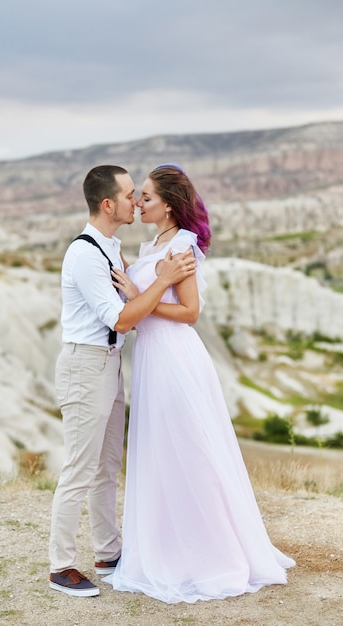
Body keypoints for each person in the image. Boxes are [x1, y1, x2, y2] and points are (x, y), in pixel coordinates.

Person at [106, 164, 296, 604]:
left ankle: (212, 554)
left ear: (169, 206)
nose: (138, 202)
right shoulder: (155, 243)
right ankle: (170, 545)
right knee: (161, 452)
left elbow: (190, 312)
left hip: (175, 357)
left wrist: (139, 298)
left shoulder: (184, 246)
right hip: (153, 357)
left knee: (190, 450)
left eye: (146, 197)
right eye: (139, 196)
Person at [49, 164, 196, 598]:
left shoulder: (110, 248)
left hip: (107, 363)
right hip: (84, 365)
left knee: (107, 465)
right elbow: (122, 318)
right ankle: (60, 567)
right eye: (131, 194)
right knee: (80, 467)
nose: (137, 201)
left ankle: (108, 553)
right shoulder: (84, 254)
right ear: (108, 203)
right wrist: (164, 280)